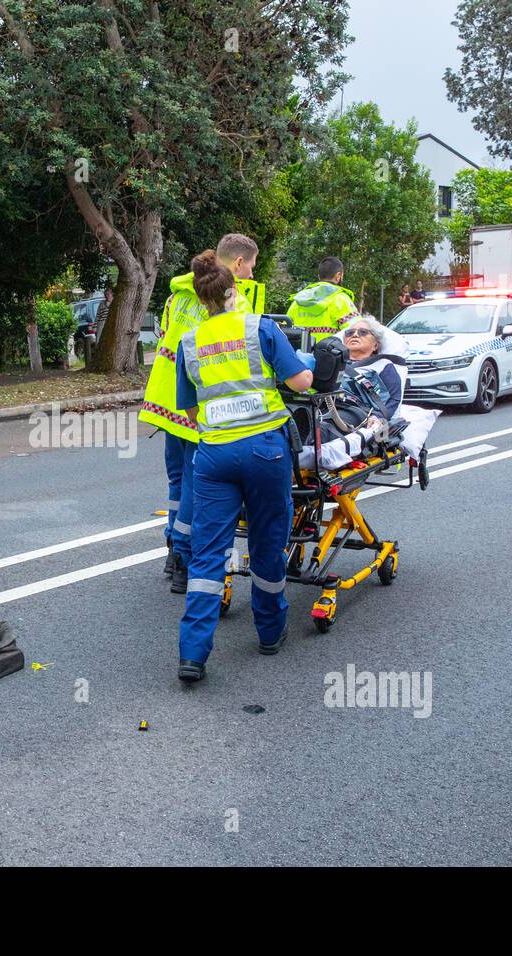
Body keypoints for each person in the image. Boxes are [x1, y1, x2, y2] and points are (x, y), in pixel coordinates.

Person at [173, 250, 314, 683]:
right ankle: (270, 632)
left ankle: (193, 655)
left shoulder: (190, 342)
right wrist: (302, 363)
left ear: (202, 299)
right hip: (264, 452)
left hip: (213, 456)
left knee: (209, 554)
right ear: (233, 292)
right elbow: (301, 383)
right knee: (267, 544)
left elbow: (191, 411)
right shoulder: (261, 328)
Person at [138, 234, 266, 595]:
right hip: (199, 402)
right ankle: (183, 558)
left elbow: (164, 336)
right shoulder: (230, 297)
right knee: (197, 486)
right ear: (238, 264)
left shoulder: (179, 292)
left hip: (166, 399)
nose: (253, 273)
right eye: (252, 265)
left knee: (178, 483)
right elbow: (239, 348)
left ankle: (172, 550)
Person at [339, 315, 405, 424]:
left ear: (375, 345)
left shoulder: (382, 365)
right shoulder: (333, 363)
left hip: (356, 413)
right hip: (323, 409)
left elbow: (394, 398)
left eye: (363, 332)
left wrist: (378, 417)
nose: (355, 335)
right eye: (350, 333)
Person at [286, 256, 358, 343]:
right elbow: (357, 329)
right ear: (338, 276)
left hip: (299, 354)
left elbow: (285, 328)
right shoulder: (340, 299)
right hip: (330, 354)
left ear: (319, 276)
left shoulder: (299, 299)